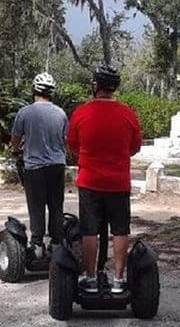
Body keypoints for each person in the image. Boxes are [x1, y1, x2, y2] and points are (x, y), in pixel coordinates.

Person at [67, 64, 142, 294]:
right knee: (120, 230)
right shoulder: (128, 114)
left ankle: (90, 278)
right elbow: (135, 147)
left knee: (89, 230)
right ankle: (119, 280)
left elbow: (73, 146)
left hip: (90, 182)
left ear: (95, 86)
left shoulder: (81, 112)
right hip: (118, 182)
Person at [11, 72, 68, 257]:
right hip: (57, 165)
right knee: (56, 204)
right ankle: (57, 243)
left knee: (36, 205)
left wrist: (16, 151)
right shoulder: (61, 113)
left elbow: (16, 138)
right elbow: (65, 139)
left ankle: (37, 244)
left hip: (34, 167)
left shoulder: (25, 112)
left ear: (34, 90)